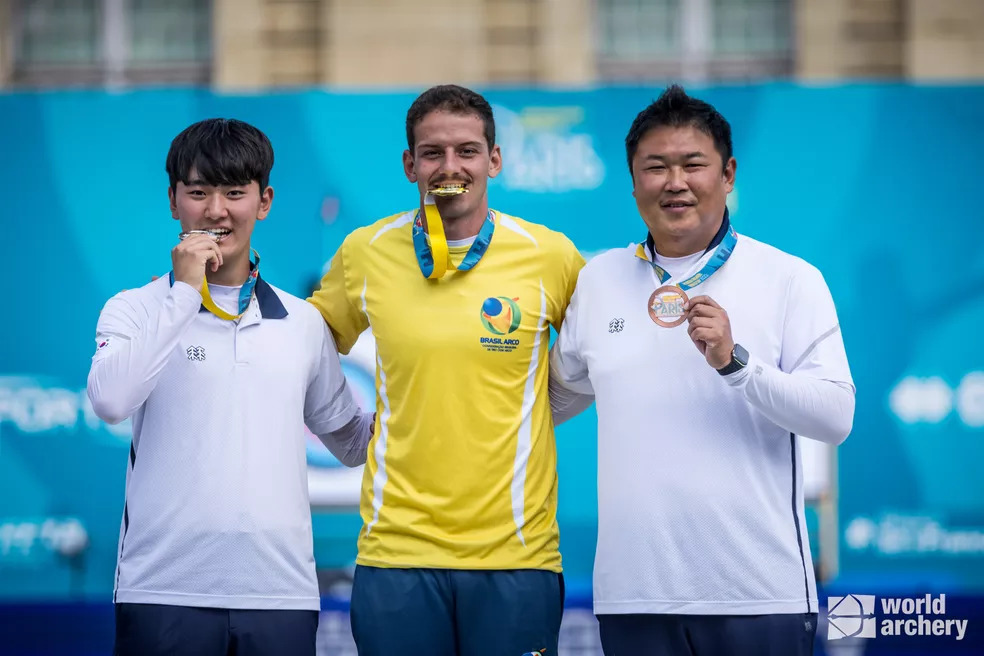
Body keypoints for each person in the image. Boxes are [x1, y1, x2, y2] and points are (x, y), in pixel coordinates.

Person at [549, 85, 855, 655]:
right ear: (633, 180)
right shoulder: (599, 279)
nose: (675, 182)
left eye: (693, 164)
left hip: (759, 595)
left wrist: (737, 364)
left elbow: (835, 416)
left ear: (728, 173)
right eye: (655, 167)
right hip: (633, 596)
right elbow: (557, 396)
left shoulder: (790, 279)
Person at [307, 84, 585, 656]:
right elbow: (303, 350)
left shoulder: (548, 254)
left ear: (495, 160)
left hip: (518, 556)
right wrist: (346, 433)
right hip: (395, 555)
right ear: (410, 164)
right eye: (432, 153)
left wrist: (539, 408)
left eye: (467, 151)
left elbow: (602, 352)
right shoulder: (366, 252)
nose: (449, 167)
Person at [86, 118, 373, 656]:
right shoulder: (133, 309)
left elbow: (352, 443)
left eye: (234, 193)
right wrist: (182, 298)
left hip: (281, 594)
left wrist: (425, 396)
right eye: (198, 192)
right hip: (161, 591)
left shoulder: (303, 322)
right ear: (174, 201)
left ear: (263, 202)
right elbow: (109, 401)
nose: (216, 210)